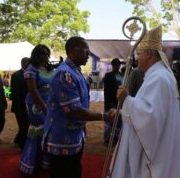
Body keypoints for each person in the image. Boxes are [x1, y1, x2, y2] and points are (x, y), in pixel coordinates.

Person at [109, 26, 180, 178]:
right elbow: (148, 108)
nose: (136, 58)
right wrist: (123, 111)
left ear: (149, 54)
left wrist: (126, 100)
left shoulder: (158, 78)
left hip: (153, 153)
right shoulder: (157, 75)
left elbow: (150, 116)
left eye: (139, 53)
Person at [42, 36, 114, 178]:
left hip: (74, 136)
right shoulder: (65, 74)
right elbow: (74, 111)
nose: (88, 54)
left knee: (74, 171)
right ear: (73, 50)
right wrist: (104, 116)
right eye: (86, 50)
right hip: (62, 139)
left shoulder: (75, 71)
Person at [20, 45, 54, 174]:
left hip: (50, 104)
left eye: (47, 54)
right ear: (36, 55)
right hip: (36, 105)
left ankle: (44, 162)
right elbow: (33, 91)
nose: (45, 57)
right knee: (38, 130)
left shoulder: (49, 68)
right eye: (42, 54)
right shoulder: (31, 69)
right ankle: (30, 163)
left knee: (48, 132)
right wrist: (44, 108)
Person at [10, 57, 30, 149]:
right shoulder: (16, 75)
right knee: (24, 126)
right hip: (20, 106)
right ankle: (23, 145)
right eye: (26, 62)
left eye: (29, 62)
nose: (27, 64)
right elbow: (15, 93)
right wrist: (18, 109)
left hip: (30, 105)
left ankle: (18, 139)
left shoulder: (31, 74)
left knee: (25, 125)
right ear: (22, 63)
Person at [103, 58, 123, 145]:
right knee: (109, 120)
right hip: (110, 101)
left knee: (118, 120)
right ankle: (107, 139)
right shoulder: (108, 75)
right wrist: (107, 103)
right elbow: (106, 90)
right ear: (113, 65)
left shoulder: (121, 75)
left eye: (119, 65)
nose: (117, 66)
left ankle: (116, 138)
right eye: (116, 65)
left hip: (119, 101)